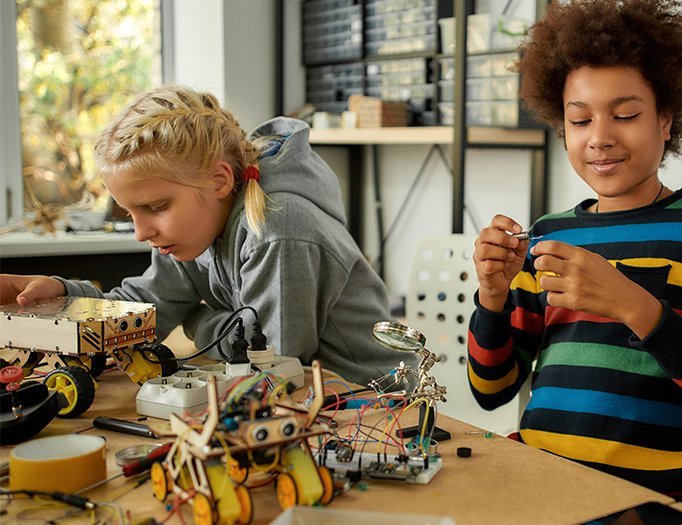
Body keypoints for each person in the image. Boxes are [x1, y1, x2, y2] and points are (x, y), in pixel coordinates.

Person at [468, 0, 682, 518]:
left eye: (626, 114)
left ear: (665, 120)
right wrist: (493, 297)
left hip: (649, 503)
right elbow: (491, 389)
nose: (600, 137)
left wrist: (639, 308)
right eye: (579, 119)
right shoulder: (549, 234)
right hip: (541, 484)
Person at [0, 86, 409, 385]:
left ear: (218, 180)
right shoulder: (192, 227)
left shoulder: (278, 231)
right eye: (131, 213)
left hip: (376, 403)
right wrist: (61, 293)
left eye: (155, 208)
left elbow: (272, 362)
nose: (142, 232)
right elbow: (145, 311)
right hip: (312, 393)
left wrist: (196, 320)